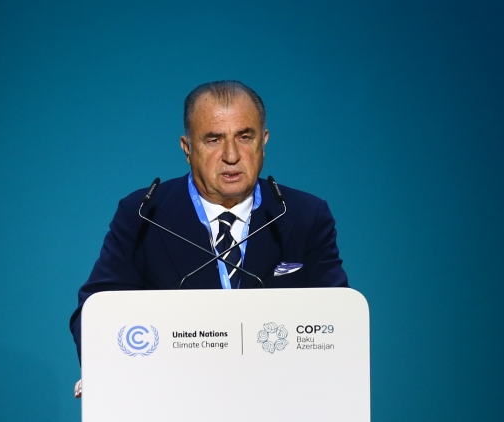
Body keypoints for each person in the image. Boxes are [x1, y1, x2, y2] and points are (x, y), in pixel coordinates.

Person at [69, 80, 348, 364]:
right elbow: (95, 311)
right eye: (214, 140)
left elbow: (338, 320)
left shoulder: (305, 215)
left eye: (244, 137)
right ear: (187, 148)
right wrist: (104, 371)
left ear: (263, 142)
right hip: (174, 383)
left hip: (279, 381)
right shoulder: (143, 214)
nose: (231, 156)